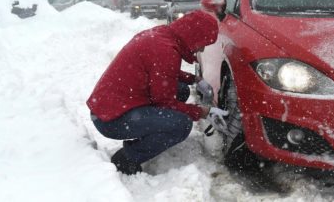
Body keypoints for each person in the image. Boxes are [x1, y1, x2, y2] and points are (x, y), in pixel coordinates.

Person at [86, 10, 228, 175]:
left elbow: (163, 71)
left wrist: (194, 79)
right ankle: (127, 158)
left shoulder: (161, 36)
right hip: (111, 119)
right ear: (193, 36)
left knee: (181, 90)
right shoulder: (165, 50)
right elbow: (165, 102)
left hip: (111, 107)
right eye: (203, 43)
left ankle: (147, 133)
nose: (201, 49)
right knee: (181, 125)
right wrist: (203, 112)